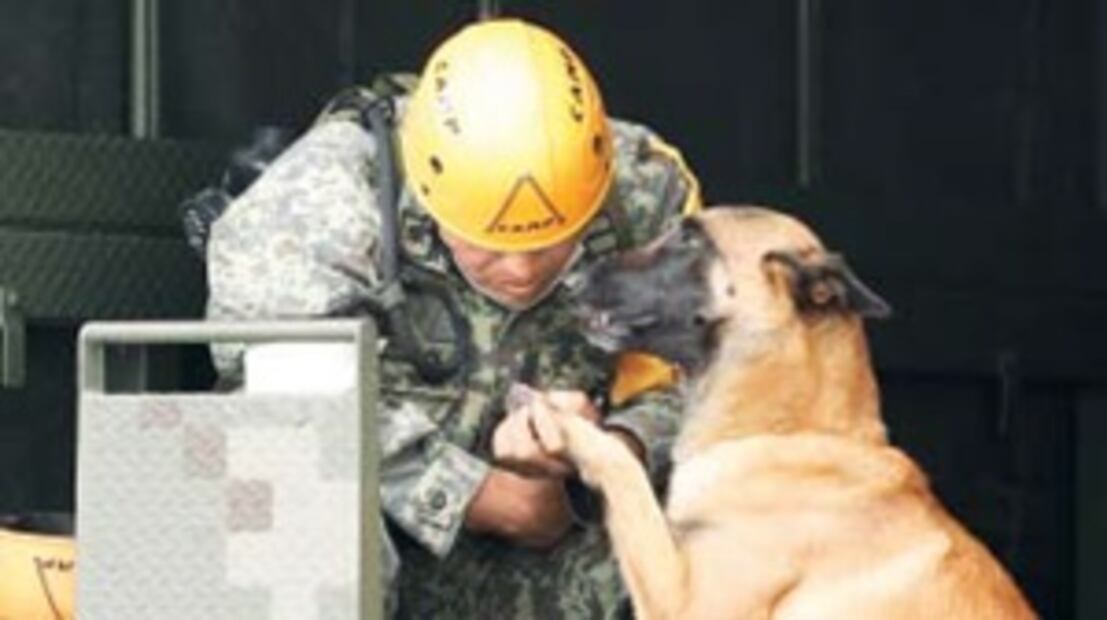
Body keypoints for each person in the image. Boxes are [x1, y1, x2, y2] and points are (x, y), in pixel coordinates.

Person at [205, 18, 701, 619]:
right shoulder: (320, 199)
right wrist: (478, 496)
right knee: (289, 500)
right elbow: (290, 409)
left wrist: (607, 455)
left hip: (577, 554)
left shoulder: (644, 194)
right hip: (373, 555)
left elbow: (703, 387)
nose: (521, 270)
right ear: (428, 192)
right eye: (488, 244)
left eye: (552, 243)